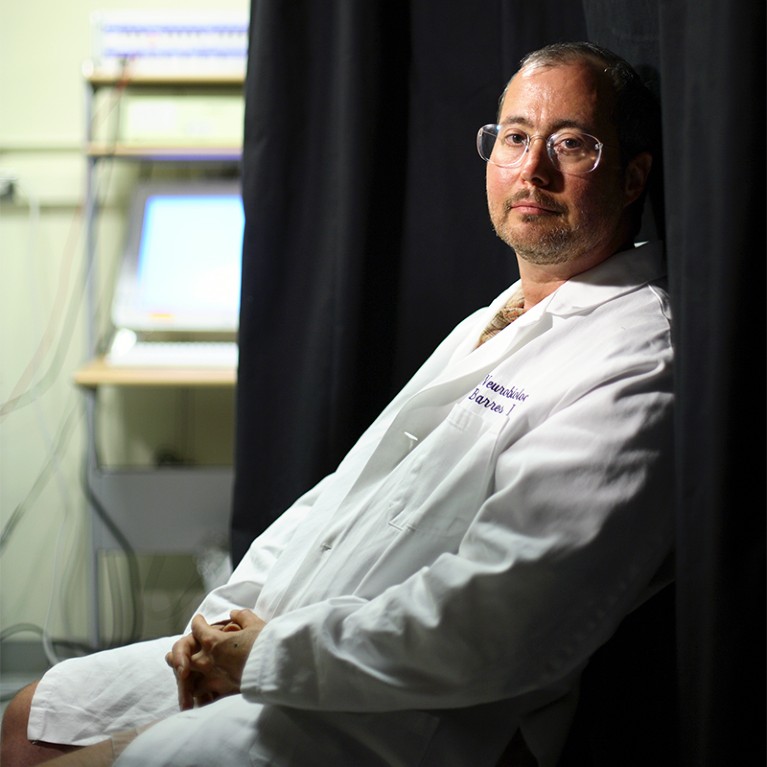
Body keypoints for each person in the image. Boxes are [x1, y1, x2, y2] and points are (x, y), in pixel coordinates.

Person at [1, 41, 673, 767]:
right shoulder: (496, 316)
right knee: (35, 712)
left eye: (570, 144)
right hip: (290, 639)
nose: (531, 169)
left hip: (406, 711)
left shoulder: (635, 350)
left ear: (633, 175)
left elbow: (503, 615)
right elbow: (336, 499)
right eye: (514, 137)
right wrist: (222, 624)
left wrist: (267, 656)